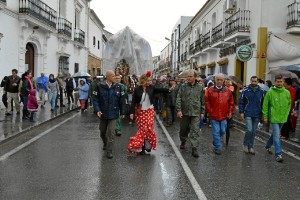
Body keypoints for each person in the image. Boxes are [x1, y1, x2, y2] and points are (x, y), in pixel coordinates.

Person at [128, 71, 173, 155]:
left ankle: (147, 146)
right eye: (148, 80)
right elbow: (133, 101)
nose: (150, 82)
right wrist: (131, 113)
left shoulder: (151, 87)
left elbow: (161, 90)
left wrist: (169, 89)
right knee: (142, 130)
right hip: (140, 112)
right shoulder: (137, 89)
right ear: (143, 81)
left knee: (149, 128)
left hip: (149, 110)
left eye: (150, 80)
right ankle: (139, 146)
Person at [93, 70, 126, 159]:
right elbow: (95, 99)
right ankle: (105, 142)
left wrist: (123, 112)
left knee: (111, 132)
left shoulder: (118, 87)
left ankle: (110, 150)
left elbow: (122, 101)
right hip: (103, 113)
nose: (114, 77)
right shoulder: (99, 86)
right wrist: (97, 110)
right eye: (112, 76)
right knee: (102, 132)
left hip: (114, 113)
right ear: (107, 77)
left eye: (115, 76)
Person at [176, 70, 205, 158]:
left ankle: (194, 148)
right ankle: (183, 141)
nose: (188, 78)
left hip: (195, 112)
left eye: (190, 76)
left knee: (195, 130)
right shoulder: (183, 86)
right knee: (183, 129)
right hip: (185, 112)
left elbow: (202, 101)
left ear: (194, 77)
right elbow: (179, 98)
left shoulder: (200, 88)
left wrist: (202, 112)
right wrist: (179, 110)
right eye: (188, 76)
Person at [263, 75, 291, 162]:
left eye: (281, 82)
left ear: (283, 82)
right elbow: (265, 105)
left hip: (283, 118)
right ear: (275, 82)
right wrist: (265, 116)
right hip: (274, 118)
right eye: (277, 82)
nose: (279, 83)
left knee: (275, 134)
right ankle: (278, 154)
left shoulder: (287, 92)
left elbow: (289, 105)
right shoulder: (270, 92)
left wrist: (286, 114)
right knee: (277, 135)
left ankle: (267, 146)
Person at [205, 73, 234, 155]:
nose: (219, 81)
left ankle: (215, 140)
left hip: (224, 116)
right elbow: (207, 102)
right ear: (215, 80)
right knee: (216, 131)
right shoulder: (210, 90)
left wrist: (230, 112)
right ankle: (217, 147)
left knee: (222, 130)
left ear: (223, 81)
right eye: (218, 79)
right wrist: (210, 111)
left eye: (221, 80)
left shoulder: (228, 91)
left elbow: (231, 103)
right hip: (214, 116)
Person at [239, 76, 265, 155]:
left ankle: (251, 146)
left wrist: (263, 114)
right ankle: (245, 144)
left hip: (257, 114)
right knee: (249, 130)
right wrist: (241, 112)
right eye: (252, 81)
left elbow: (263, 104)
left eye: (255, 81)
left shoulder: (261, 91)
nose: (254, 83)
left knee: (253, 132)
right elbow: (241, 102)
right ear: (250, 81)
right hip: (248, 113)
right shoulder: (245, 90)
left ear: (257, 82)